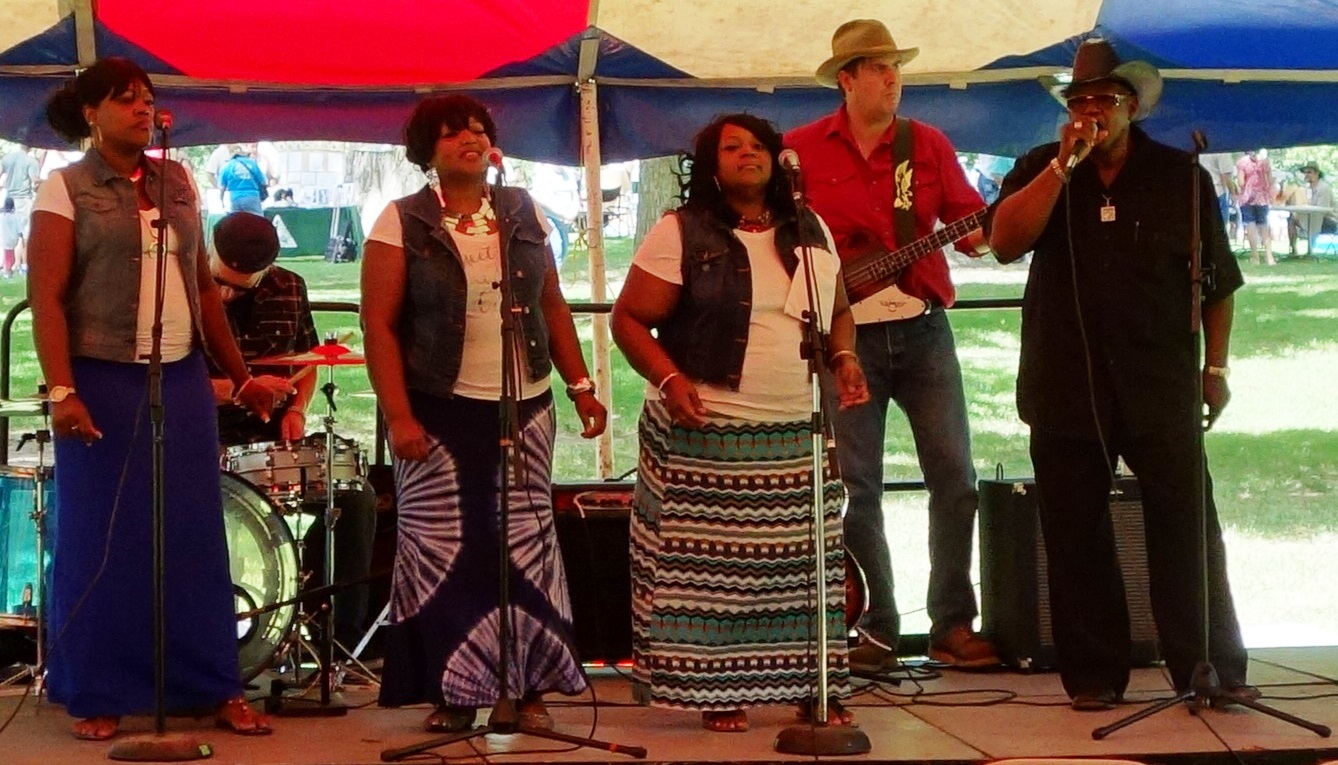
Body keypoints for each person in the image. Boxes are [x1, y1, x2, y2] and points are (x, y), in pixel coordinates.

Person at [989, 38, 1256, 712]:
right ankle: (1094, 676)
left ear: (1131, 107)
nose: (1089, 112)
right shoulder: (1038, 167)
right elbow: (1003, 242)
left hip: (1160, 378)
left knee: (1187, 524)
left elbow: (1218, 283)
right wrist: (1059, 167)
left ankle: (1208, 665)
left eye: (1102, 101)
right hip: (1064, 378)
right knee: (1075, 532)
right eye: (1078, 102)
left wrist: (1215, 365)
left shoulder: (1180, 177)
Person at [27, 56, 288, 740]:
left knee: (195, 536)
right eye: (125, 100)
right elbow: (46, 299)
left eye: (147, 99)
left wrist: (242, 373)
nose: (143, 110)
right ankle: (98, 688)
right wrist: (61, 388)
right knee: (103, 538)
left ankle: (212, 684)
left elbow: (202, 285)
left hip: (179, 375)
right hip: (100, 376)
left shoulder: (177, 180)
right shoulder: (66, 188)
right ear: (92, 113)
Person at [612, 113, 870, 733]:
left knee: (803, 569)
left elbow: (836, 311)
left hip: (793, 427)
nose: (748, 154)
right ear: (710, 163)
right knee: (711, 575)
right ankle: (717, 688)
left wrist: (844, 356)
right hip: (708, 426)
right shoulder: (681, 230)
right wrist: (670, 381)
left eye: (758, 145)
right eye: (732, 147)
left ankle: (816, 687)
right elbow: (628, 320)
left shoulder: (810, 228)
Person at [361, 94, 607, 733]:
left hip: (523, 404)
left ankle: (529, 686)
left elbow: (551, 302)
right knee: (443, 548)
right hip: (437, 411)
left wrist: (580, 384)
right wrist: (398, 418)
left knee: (525, 547)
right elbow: (379, 327)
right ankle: (454, 690)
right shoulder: (402, 221)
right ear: (427, 152)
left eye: (477, 129)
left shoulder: (520, 210)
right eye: (451, 134)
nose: (469, 139)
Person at [784, 19, 999, 671]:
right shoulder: (798, 151)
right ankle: (876, 625)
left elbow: (971, 227)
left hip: (923, 327)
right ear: (846, 80)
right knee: (858, 487)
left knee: (955, 478)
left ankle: (951, 623)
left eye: (894, 66)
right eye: (876, 67)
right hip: (845, 339)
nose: (891, 77)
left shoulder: (925, 145)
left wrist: (996, 226)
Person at [208, 211, 376, 653]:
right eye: (225, 280)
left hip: (272, 439)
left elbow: (307, 361)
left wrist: (297, 410)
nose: (230, 291)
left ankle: (335, 641)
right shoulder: (183, 288)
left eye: (243, 283)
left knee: (352, 499)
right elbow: (169, 378)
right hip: (203, 433)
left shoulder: (289, 287)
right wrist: (238, 390)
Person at [0, 145, 41, 275]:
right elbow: (35, 182)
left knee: (9, 235)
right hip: (24, 200)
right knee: (26, 234)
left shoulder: (7, 159)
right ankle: (23, 264)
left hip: (9, 201)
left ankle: (9, 266)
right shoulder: (31, 162)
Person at [1287, 162, 1337, 256]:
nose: (1306, 175)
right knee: (1291, 218)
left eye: (1309, 172)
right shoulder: (1307, 188)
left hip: (1330, 221)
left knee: (1296, 219)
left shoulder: (1324, 188)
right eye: (1305, 173)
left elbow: (1323, 210)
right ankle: (1293, 249)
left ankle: (1309, 249)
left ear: (1317, 173)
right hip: (1314, 217)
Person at [1235, 148, 1275, 265]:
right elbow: (1270, 180)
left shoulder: (1242, 162)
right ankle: (1269, 257)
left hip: (1247, 199)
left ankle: (1255, 257)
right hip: (1262, 198)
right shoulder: (1265, 162)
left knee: (1250, 225)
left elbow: (1241, 182)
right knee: (1263, 225)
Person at [218, 144, 268, 214]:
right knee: (255, 221)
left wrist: (221, 201)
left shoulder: (228, 165)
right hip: (252, 197)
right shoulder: (252, 163)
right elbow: (263, 182)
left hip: (235, 198)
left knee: (237, 222)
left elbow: (222, 187)